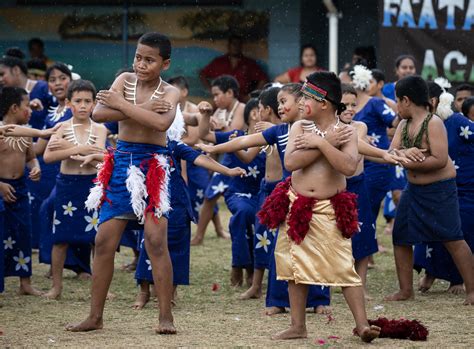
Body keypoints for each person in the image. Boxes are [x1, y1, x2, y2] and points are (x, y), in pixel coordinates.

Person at [66, 32, 180, 334]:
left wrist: (123, 106)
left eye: (150, 60)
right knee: (103, 241)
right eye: (138, 57)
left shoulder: (170, 92)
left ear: (165, 63)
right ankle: (95, 317)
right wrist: (135, 108)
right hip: (121, 163)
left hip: (153, 163)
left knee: (156, 242)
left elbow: (160, 124)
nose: (141, 64)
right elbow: (99, 113)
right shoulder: (124, 81)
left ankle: (165, 316)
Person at [259, 72, 380, 342]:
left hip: (329, 210)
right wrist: (323, 145)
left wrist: (323, 143)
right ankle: (297, 326)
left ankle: (362, 324)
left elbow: (348, 166)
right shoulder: (300, 128)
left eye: (307, 98)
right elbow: (291, 163)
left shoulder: (346, 132)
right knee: (294, 268)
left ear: (324, 103)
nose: (301, 103)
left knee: (343, 268)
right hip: (297, 205)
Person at [198, 83, 331, 314]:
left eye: (283, 102)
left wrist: (385, 155)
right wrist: (214, 147)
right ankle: (279, 301)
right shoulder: (278, 132)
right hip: (285, 196)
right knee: (280, 249)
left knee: (314, 248)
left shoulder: (316, 130)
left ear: (301, 103)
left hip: (312, 198)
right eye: (278, 102)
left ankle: (319, 300)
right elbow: (243, 142)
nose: (279, 107)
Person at [384, 75, 474, 305]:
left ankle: (472, 290)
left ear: (406, 100)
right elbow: (391, 153)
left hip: (440, 191)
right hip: (413, 190)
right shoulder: (403, 124)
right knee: (400, 236)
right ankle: (406, 290)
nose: (396, 106)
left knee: (453, 238)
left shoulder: (433, 123)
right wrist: (404, 154)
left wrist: (409, 159)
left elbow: (440, 159)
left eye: (397, 100)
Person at [133, 135, 246, 309]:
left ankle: (170, 291)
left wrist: (227, 171)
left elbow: (199, 158)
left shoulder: (174, 145)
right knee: (147, 242)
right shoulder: (140, 145)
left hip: (177, 201)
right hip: (151, 202)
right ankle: (144, 291)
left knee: (177, 246)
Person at [42, 79, 107, 299]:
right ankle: (57, 287)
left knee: (98, 238)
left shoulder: (100, 128)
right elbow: (49, 156)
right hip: (67, 186)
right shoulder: (61, 127)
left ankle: (99, 289)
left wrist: (71, 150)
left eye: (87, 101)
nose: (82, 105)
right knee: (60, 239)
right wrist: (81, 149)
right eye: (77, 101)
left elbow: (99, 160)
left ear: (94, 103)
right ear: (69, 103)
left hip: (91, 187)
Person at [339, 84, 404, 299]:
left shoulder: (360, 127)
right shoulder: (328, 128)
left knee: (364, 236)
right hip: (336, 188)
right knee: (337, 238)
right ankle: (335, 282)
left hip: (358, 186)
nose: (349, 109)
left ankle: (361, 285)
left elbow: (364, 150)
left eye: (353, 105)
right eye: (344, 104)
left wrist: (390, 155)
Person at [197, 96, 266, 287]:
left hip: (262, 194)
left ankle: (252, 268)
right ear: (254, 113)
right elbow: (205, 134)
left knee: (255, 221)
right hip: (237, 192)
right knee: (244, 213)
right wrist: (206, 115)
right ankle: (240, 265)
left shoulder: (271, 137)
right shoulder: (235, 134)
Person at [413, 79, 474, 296]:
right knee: (428, 229)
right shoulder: (418, 122)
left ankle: (457, 278)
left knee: (456, 231)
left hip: (465, 187)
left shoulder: (457, 121)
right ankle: (431, 271)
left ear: (432, 101)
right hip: (431, 184)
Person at [168, 75, 227, 237]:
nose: (172, 93)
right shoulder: (170, 108)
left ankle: (219, 228)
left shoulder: (193, 110)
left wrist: (172, 141)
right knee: (187, 194)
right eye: (169, 90)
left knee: (205, 192)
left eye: (175, 90)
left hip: (195, 155)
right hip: (178, 157)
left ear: (185, 91)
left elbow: (193, 139)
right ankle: (196, 231)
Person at [191, 75, 245, 246]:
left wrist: (221, 126)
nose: (215, 99)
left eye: (217, 95)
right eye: (213, 96)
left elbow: (233, 134)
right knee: (210, 196)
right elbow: (209, 136)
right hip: (226, 159)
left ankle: (220, 232)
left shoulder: (241, 108)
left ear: (230, 92)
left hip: (243, 159)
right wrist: (210, 159)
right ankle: (199, 236)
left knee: (234, 200)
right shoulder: (220, 111)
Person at [0, 87, 42, 296]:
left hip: (20, 189)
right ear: (14, 107)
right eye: (27, 105)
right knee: (2, 235)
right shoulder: (0, 132)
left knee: (23, 233)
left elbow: (30, 157)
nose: (31, 109)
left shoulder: (26, 133)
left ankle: (25, 282)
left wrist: (36, 167)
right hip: (1, 188)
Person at [352, 65, 399, 241]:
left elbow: (395, 122)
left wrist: (404, 107)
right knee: (358, 208)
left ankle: (367, 249)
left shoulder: (375, 103)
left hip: (377, 162)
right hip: (356, 162)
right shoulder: (348, 105)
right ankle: (366, 253)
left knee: (366, 207)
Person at [200, 35, 268, 101]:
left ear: (241, 46)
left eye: (239, 44)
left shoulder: (249, 63)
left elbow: (263, 80)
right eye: (234, 44)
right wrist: (211, 91)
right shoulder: (219, 62)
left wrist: (251, 96)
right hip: (221, 102)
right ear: (229, 45)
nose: (236, 47)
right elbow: (202, 74)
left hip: (241, 101)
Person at [0, 56, 53, 131]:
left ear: (16, 70)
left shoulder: (44, 88)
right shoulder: (3, 95)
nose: (0, 79)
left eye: (2, 74)